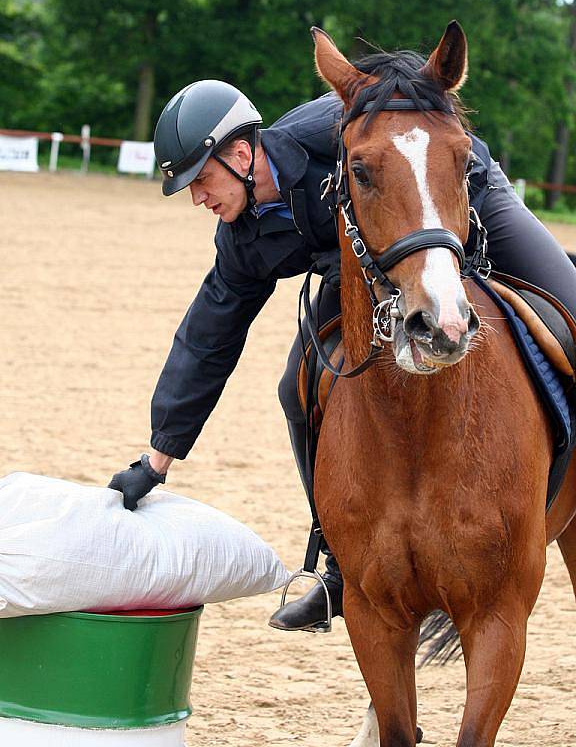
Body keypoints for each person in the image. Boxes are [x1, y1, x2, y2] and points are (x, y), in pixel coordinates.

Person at [109, 64, 576, 632]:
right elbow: (207, 337)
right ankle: (339, 564)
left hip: (462, 193)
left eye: (200, 180)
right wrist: (156, 458)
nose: (197, 198)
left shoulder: (331, 129)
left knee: (572, 304)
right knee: (297, 385)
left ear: (240, 152)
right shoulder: (242, 237)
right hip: (364, 264)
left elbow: (421, 136)